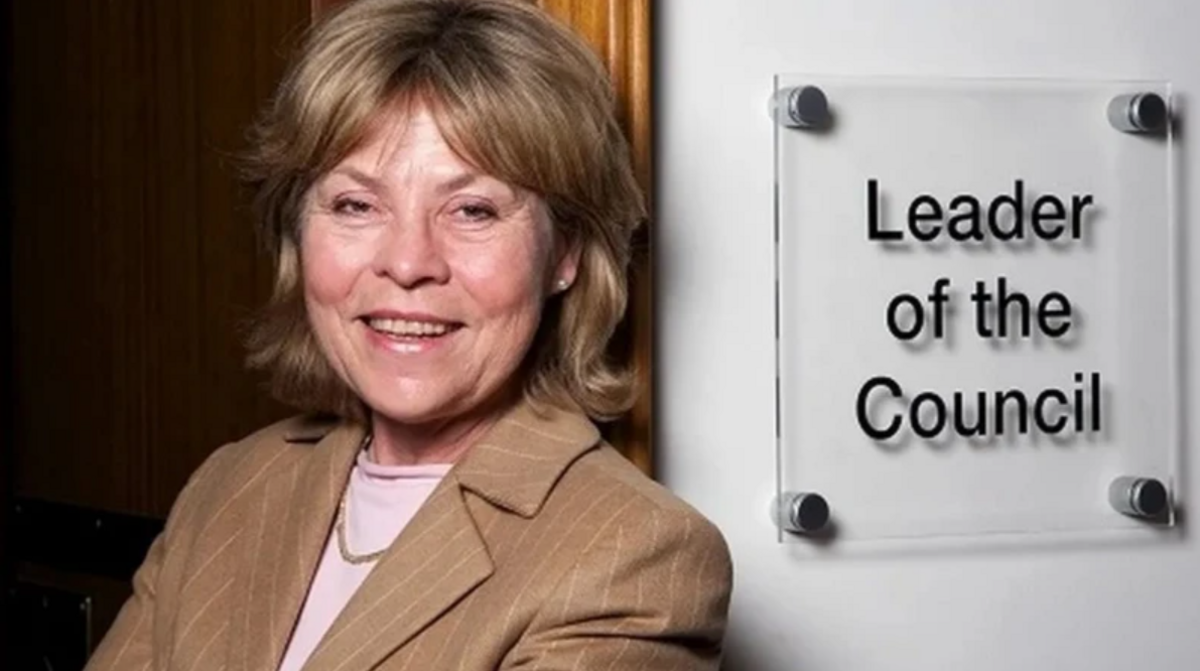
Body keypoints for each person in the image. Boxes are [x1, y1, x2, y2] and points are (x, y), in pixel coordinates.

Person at [85, 0, 732, 669]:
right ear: (298, 233)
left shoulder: (634, 552)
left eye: (473, 209)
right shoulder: (233, 484)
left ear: (565, 254)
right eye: (356, 204)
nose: (408, 262)